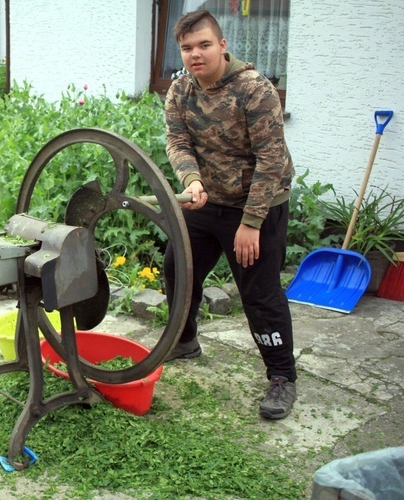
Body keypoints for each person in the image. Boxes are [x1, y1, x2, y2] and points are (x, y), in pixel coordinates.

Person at [161, 10, 297, 420]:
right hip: (206, 202)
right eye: (187, 48)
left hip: (258, 205)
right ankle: (183, 341)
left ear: (222, 45)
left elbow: (271, 160)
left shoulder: (255, 89)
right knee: (178, 269)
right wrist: (191, 179)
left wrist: (251, 223)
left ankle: (282, 377)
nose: (195, 54)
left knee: (260, 292)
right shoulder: (181, 90)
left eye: (204, 45)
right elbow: (177, 139)